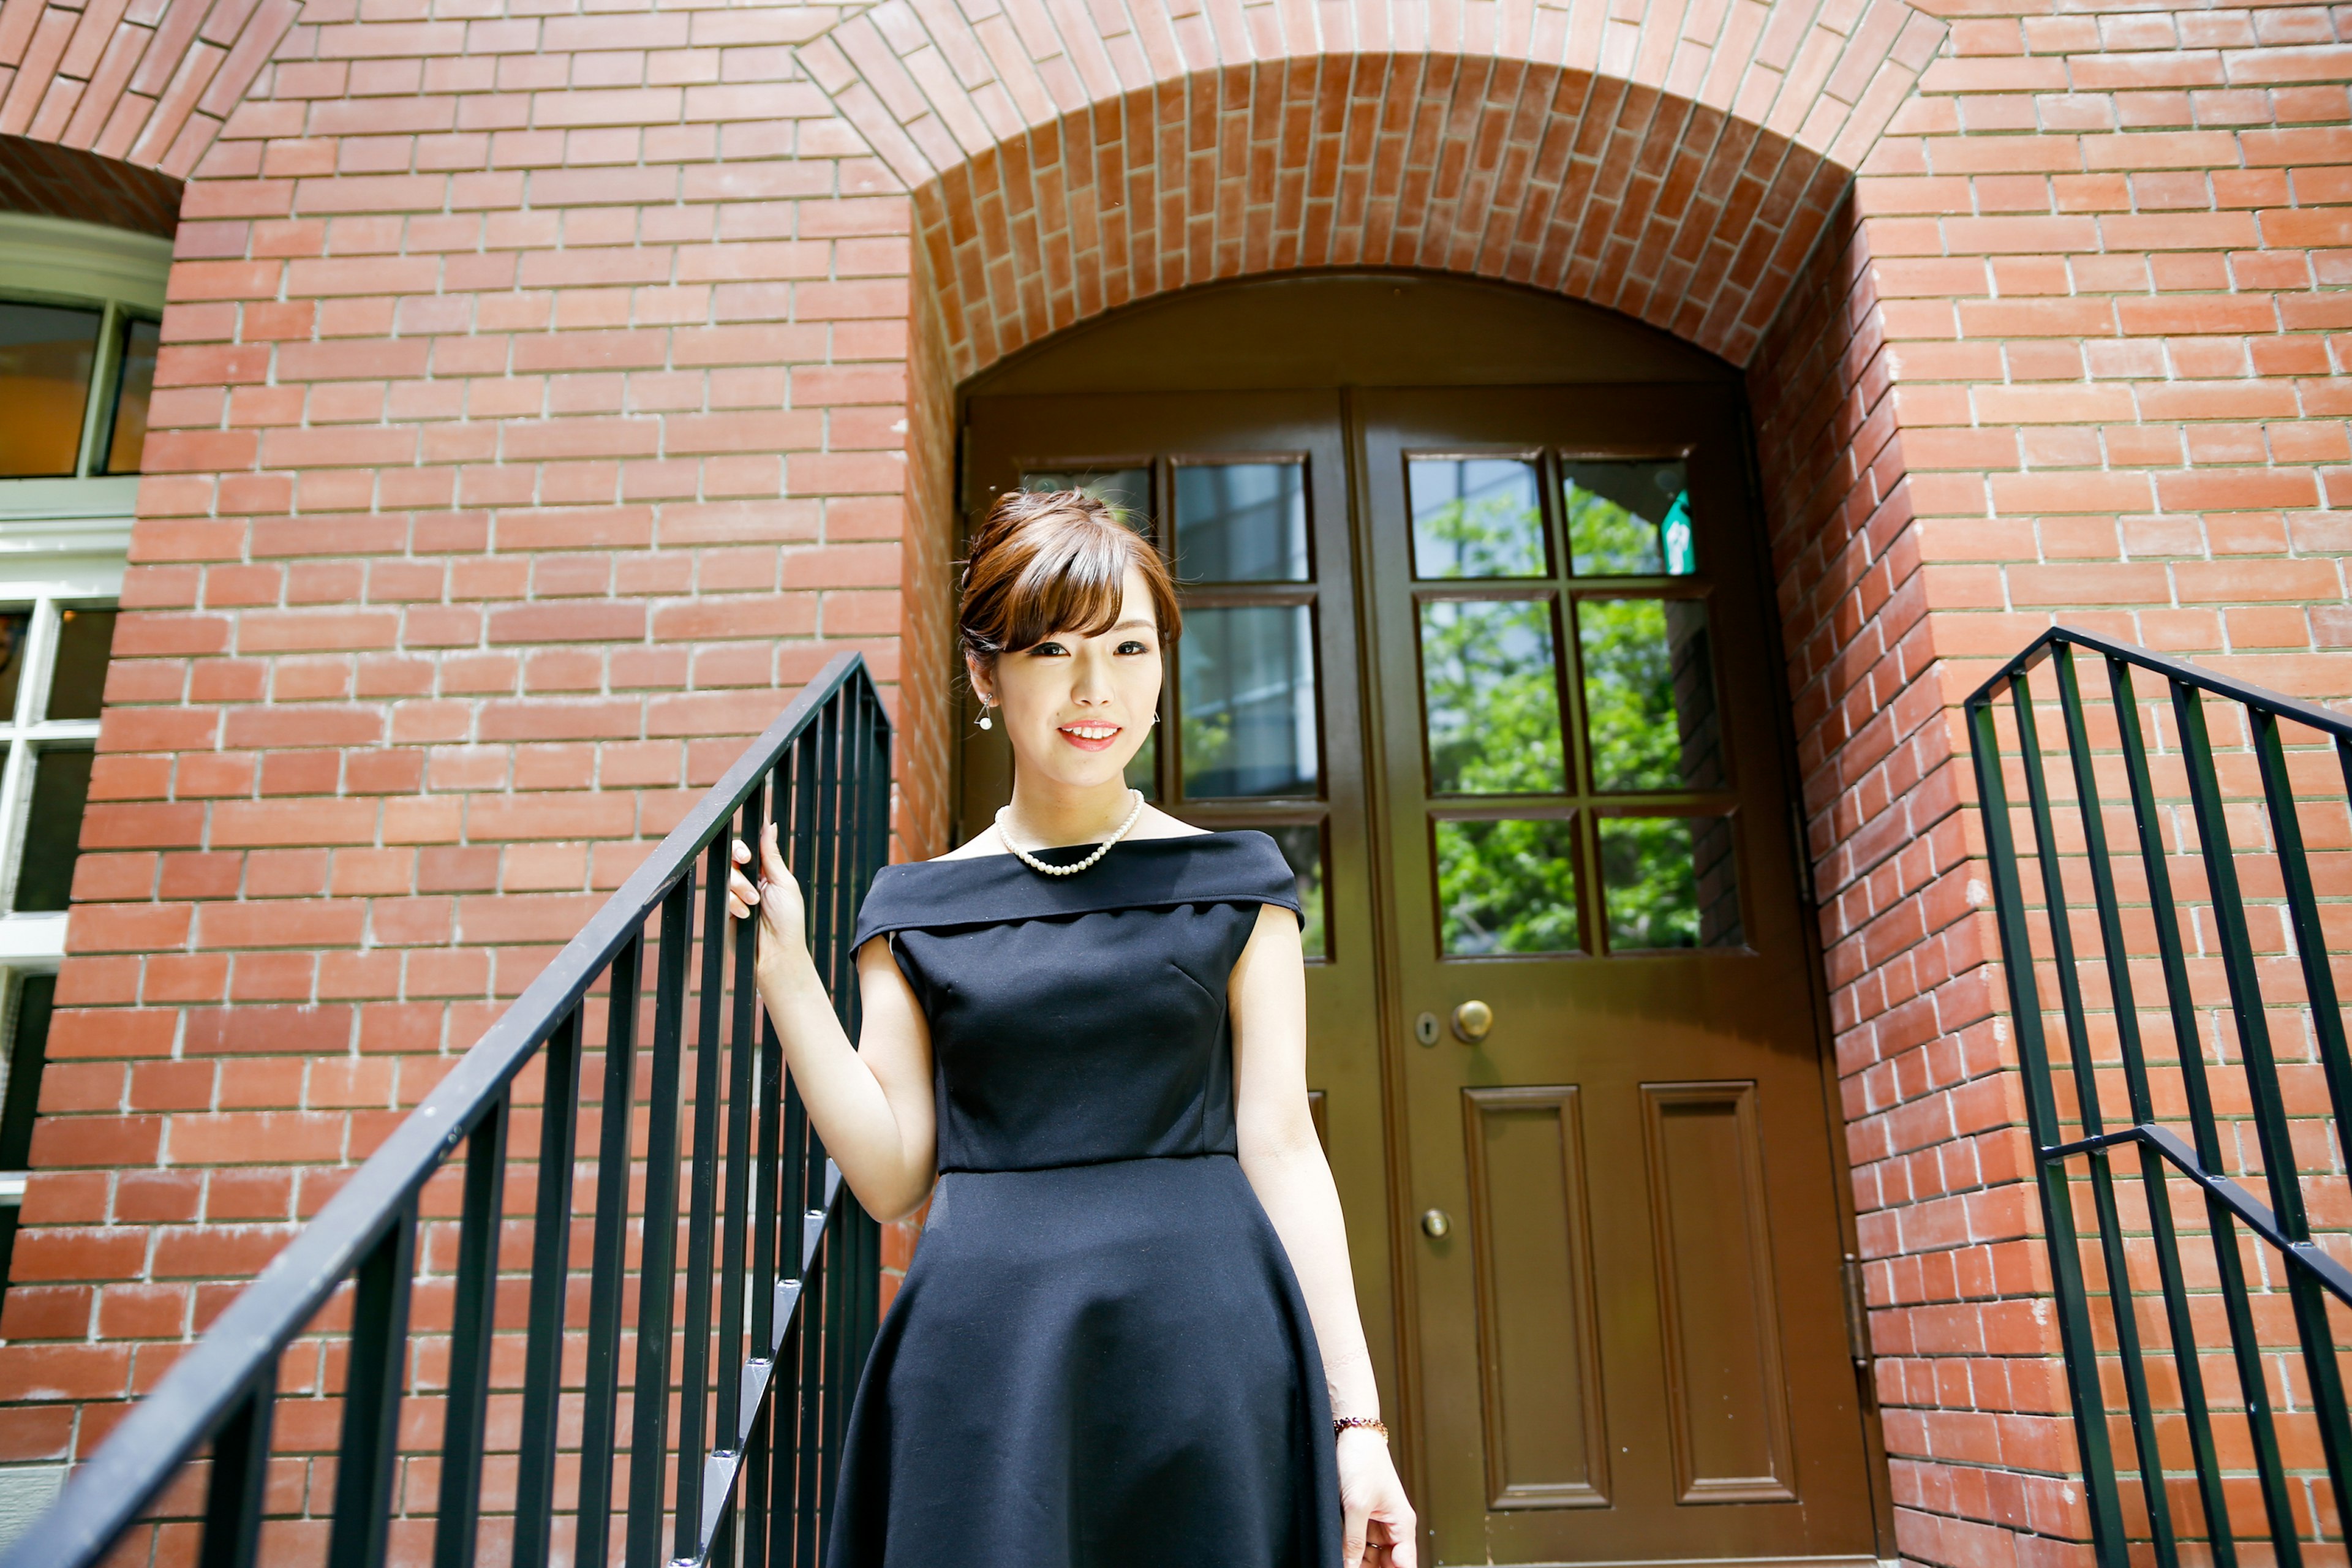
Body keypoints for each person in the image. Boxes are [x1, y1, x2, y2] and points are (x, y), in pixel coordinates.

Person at [725, 488, 1417, 1568]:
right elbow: (893, 1175)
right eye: (1053, 649)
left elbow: (1282, 1149)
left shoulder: (1240, 886)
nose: (1097, 690)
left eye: (1129, 648)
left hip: (1210, 1350)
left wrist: (1358, 1426)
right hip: (988, 1364)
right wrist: (787, 977)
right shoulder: (914, 908)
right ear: (985, 676)